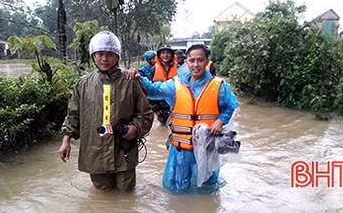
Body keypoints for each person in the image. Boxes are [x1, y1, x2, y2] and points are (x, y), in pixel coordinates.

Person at [130, 44, 239, 193]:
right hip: (180, 150)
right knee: (177, 190)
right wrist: (137, 77)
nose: (195, 64)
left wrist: (220, 121)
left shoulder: (219, 87)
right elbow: (153, 90)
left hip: (206, 150)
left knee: (206, 192)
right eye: (192, 60)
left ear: (207, 61)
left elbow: (230, 106)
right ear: (186, 62)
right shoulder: (175, 85)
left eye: (200, 60)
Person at [59, 31, 153, 192]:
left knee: (127, 194)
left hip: (124, 151)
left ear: (117, 57)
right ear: (93, 56)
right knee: (102, 195)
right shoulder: (83, 83)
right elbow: (74, 114)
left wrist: (135, 128)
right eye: (100, 54)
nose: (104, 59)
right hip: (94, 151)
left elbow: (146, 114)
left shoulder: (131, 82)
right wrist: (66, 140)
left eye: (109, 54)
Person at [150, 45, 177, 125]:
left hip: (176, 107)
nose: (165, 55)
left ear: (172, 55)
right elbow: (149, 90)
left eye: (168, 53)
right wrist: (155, 109)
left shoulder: (179, 69)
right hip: (161, 108)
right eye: (163, 53)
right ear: (159, 55)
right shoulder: (153, 70)